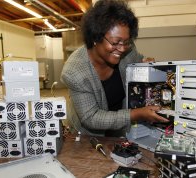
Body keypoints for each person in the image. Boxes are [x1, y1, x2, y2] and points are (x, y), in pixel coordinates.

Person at [61, 0, 168, 137]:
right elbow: (91, 118)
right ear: (95, 37)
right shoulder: (74, 72)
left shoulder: (128, 51)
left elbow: (138, 59)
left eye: (126, 42)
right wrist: (136, 114)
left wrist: (146, 64)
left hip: (119, 129)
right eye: (115, 42)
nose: (122, 48)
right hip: (89, 137)